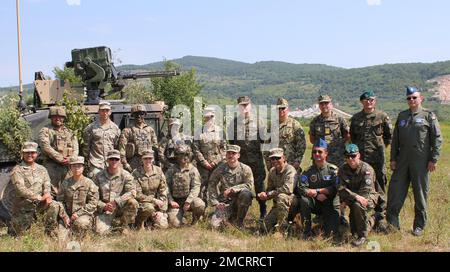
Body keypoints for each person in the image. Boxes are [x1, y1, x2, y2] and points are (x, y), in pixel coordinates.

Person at [386, 86, 443, 236]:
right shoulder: (402, 116)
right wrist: (392, 159)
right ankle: (393, 225)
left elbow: (437, 139)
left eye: (414, 97)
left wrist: (433, 159)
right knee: (395, 192)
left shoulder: (428, 116)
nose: (411, 100)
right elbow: (395, 140)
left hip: (421, 162)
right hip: (402, 161)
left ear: (421, 98)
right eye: (409, 98)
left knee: (420, 194)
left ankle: (419, 226)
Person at [350, 90, 392, 229]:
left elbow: (388, 136)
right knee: (363, 187)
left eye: (372, 99)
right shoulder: (356, 118)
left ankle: (380, 217)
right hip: (361, 162)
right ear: (362, 102)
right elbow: (353, 138)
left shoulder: (382, 116)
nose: (369, 102)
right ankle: (363, 216)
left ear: (375, 101)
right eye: (367, 100)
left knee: (380, 186)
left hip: (377, 160)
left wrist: (380, 148)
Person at [9, 142, 65, 236]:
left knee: (54, 205)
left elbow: (47, 185)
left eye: (32, 152)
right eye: (27, 152)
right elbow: (20, 189)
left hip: (39, 205)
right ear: (23, 154)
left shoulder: (42, 169)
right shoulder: (17, 170)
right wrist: (38, 197)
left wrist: (47, 195)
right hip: (23, 207)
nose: (30, 155)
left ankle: (49, 231)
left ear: (37, 153)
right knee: (19, 234)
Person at [309, 94, 350, 225]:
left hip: (337, 159)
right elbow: (312, 138)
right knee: (321, 184)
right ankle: (322, 214)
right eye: (322, 104)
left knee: (339, 186)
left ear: (331, 104)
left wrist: (337, 145)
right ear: (319, 105)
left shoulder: (339, 119)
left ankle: (341, 214)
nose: (324, 106)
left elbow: (347, 135)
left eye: (326, 103)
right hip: (320, 159)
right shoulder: (315, 121)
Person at [228, 96, 267, 219]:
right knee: (241, 188)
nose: (244, 107)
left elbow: (264, 141)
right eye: (241, 105)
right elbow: (232, 143)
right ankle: (237, 214)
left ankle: (263, 212)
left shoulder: (260, 122)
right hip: (242, 164)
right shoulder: (233, 124)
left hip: (256, 162)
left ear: (251, 105)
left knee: (260, 187)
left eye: (246, 104)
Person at [294, 138, 339, 240]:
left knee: (330, 235)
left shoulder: (333, 170)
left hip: (330, 204)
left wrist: (319, 191)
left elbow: (336, 187)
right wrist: (316, 195)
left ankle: (325, 225)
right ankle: (307, 231)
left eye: (320, 151)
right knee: (304, 200)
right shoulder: (308, 171)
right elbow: (301, 187)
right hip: (316, 203)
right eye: (314, 151)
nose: (317, 154)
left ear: (326, 153)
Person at [338, 144, 378, 247]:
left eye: (353, 156)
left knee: (357, 206)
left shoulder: (367, 170)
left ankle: (362, 236)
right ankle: (372, 220)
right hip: (353, 198)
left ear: (359, 155)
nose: (350, 159)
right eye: (347, 156)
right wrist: (352, 198)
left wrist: (350, 199)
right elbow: (341, 188)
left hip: (368, 197)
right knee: (353, 230)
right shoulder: (342, 169)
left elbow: (365, 193)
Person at [208, 144, 254, 229]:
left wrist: (233, 189)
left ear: (238, 155)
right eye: (229, 153)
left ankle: (239, 222)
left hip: (239, 201)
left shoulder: (245, 169)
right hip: (225, 202)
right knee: (214, 226)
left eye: (233, 153)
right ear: (226, 155)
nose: (231, 155)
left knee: (246, 194)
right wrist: (215, 203)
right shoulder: (220, 169)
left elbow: (249, 185)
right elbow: (212, 184)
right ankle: (225, 216)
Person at [93, 150, 138, 235]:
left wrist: (116, 202)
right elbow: (92, 197)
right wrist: (103, 206)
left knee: (133, 202)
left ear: (120, 160)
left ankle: (124, 225)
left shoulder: (126, 175)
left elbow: (132, 192)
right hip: (105, 209)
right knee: (100, 232)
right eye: (111, 159)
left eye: (116, 159)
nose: (114, 161)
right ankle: (115, 224)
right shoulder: (98, 176)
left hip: (121, 208)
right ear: (107, 160)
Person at [38, 106, 78, 195]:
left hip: (68, 167)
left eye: (60, 116)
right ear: (51, 118)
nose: (57, 119)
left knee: (69, 191)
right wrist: (60, 158)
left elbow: (76, 148)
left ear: (63, 118)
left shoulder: (70, 132)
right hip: (52, 166)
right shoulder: (45, 131)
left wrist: (71, 159)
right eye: (54, 116)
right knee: (51, 192)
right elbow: (45, 147)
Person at [57, 156, 99, 236]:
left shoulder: (89, 183)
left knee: (81, 224)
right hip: (67, 215)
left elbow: (93, 203)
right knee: (61, 238)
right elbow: (60, 201)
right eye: (74, 166)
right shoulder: (65, 183)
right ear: (70, 168)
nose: (76, 168)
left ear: (83, 168)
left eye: (79, 166)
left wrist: (78, 214)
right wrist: (65, 216)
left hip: (83, 215)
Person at [258, 148, 296, 235]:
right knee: (264, 227)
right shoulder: (272, 171)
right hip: (278, 205)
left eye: (277, 158)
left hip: (293, 203)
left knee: (281, 196)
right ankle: (286, 226)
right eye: (272, 158)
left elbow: (288, 189)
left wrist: (269, 194)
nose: (275, 160)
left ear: (284, 158)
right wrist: (264, 195)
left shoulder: (290, 170)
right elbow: (270, 189)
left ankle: (281, 230)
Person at [165, 145, 205, 227]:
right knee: (174, 224)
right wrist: (171, 201)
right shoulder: (171, 170)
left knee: (200, 204)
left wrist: (188, 201)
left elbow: (196, 186)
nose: (185, 157)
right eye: (182, 155)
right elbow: (165, 186)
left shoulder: (193, 169)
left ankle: (195, 220)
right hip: (176, 202)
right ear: (177, 156)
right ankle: (181, 220)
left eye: (187, 155)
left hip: (188, 199)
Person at [193, 106, 226, 201]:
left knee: (220, 186)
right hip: (203, 166)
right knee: (202, 188)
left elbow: (224, 148)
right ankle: (202, 210)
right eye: (207, 117)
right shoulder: (198, 132)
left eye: (211, 117)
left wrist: (215, 161)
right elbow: (196, 149)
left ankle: (219, 210)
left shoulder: (220, 131)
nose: (209, 119)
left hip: (218, 164)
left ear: (214, 117)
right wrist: (204, 162)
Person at [266, 98, 306, 173]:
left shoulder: (295, 125)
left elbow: (301, 146)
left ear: (287, 109)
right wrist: (269, 164)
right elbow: (266, 147)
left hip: (291, 164)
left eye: (283, 108)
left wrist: (297, 161)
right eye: (279, 108)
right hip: (275, 166)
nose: (281, 110)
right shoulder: (271, 127)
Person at [83, 101, 121, 178]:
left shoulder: (115, 128)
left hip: (111, 163)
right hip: (96, 162)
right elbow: (86, 147)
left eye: (107, 110)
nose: (105, 113)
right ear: (99, 112)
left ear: (110, 112)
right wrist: (88, 162)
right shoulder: (90, 128)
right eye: (102, 110)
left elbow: (116, 146)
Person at [132, 150, 169, 230]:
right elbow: (138, 195)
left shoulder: (159, 171)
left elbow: (163, 191)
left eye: (150, 158)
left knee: (163, 226)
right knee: (149, 208)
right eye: (145, 159)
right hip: (143, 204)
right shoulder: (136, 173)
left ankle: (151, 223)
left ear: (153, 159)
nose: (148, 161)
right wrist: (154, 200)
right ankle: (139, 223)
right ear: (141, 160)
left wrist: (161, 211)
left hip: (157, 205)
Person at [119, 104, 158, 172]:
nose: (139, 116)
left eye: (141, 114)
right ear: (133, 115)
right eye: (136, 114)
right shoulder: (127, 130)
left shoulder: (150, 130)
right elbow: (122, 149)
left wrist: (156, 161)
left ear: (144, 115)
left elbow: (155, 147)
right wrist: (125, 164)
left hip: (148, 161)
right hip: (134, 162)